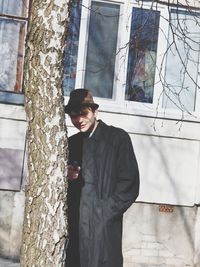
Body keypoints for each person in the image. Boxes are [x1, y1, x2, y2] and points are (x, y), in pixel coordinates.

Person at [65, 89, 140, 267]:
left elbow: (130, 183)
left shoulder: (117, 139)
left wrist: (104, 213)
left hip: (104, 230)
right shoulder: (71, 143)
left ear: (95, 112)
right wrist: (68, 178)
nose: (79, 120)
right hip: (77, 230)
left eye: (83, 114)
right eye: (74, 116)